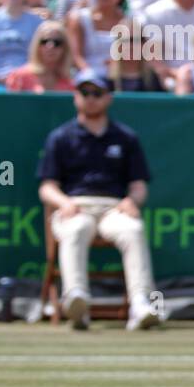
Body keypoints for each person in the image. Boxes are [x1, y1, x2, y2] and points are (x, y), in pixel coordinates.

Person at [36, 69, 161, 330]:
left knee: (133, 229)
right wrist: (63, 203)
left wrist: (132, 201)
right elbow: (47, 187)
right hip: (75, 207)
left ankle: (140, 303)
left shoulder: (125, 138)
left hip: (113, 209)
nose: (90, 99)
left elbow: (139, 185)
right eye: (84, 93)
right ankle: (76, 300)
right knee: (77, 228)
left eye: (97, 93)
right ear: (75, 97)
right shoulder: (60, 137)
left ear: (108, 98)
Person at [66, 0, 132, 78]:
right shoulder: (78, 18)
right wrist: (91, 76)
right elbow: (75, 57)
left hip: (120, 79)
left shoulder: (131, 23)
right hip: (87, 80)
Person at [3, 18, 75, 91]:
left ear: (65, 48)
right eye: (44, 41)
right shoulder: (19, 77)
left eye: (57, 42)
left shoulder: (69, 82)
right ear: (37, 46)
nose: (50, 46)